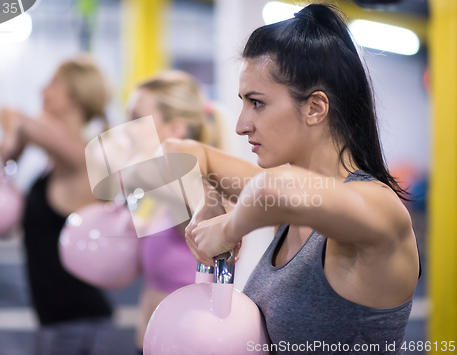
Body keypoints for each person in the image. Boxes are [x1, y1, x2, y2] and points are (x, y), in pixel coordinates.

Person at [163, 4, 420, 354]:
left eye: (257, 103)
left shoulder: (379, 208)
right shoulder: (288, 204)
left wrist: (226, 231)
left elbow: (275, 188)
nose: (241, 125)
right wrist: (207, 206)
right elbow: (179, 152)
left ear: (315, 108)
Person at [0, 56, 117, 355]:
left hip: (77, 326)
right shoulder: (57, 166)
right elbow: (9, 152)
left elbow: (24, 126)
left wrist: (16, 126)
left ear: (75, 95)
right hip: (60, 324)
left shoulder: (86, 161)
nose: (43, 90)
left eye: (53, 83)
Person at [124, 70, 228, 355]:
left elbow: (195, 194)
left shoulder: (197, 185)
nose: (125, 128)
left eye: (136, 119)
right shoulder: (159, 193)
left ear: (176, 129)